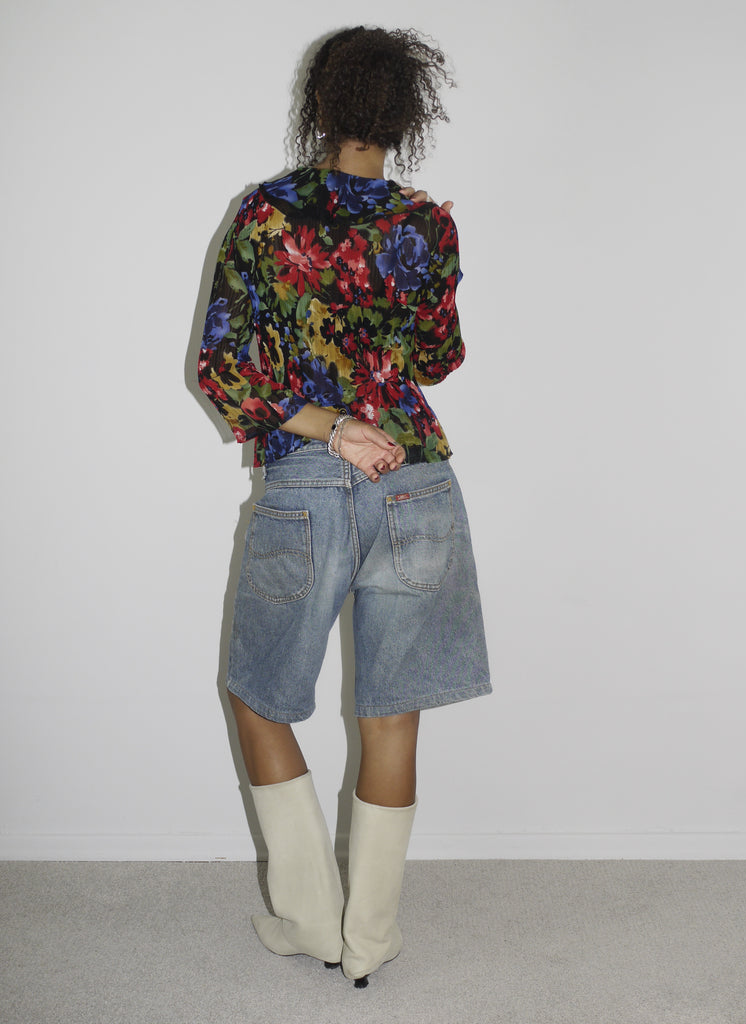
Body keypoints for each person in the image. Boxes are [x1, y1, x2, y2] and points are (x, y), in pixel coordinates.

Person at [198, 25, 491, 987]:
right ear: (406, 117)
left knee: (256, 692)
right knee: (393, 712)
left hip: (308, 482)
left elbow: (222, 366)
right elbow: (440, 359)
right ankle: (368, 939)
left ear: (319, 109)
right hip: (415, 477)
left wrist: (322, 423)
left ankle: (310, 920)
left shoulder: (267, 215)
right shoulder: (424, 221)